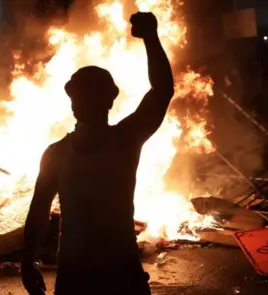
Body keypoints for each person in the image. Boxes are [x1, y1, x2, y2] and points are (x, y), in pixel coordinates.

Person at [21, 12, 174, 295]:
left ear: (107, 100)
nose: (85, 101)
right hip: (94, 277)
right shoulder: (124, 140)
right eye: (82, 95)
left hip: (109, 276)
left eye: (90, 94)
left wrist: (27, 262)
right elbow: (38, 210)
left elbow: (162, 91)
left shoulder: (117, 141)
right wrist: (26, 262)